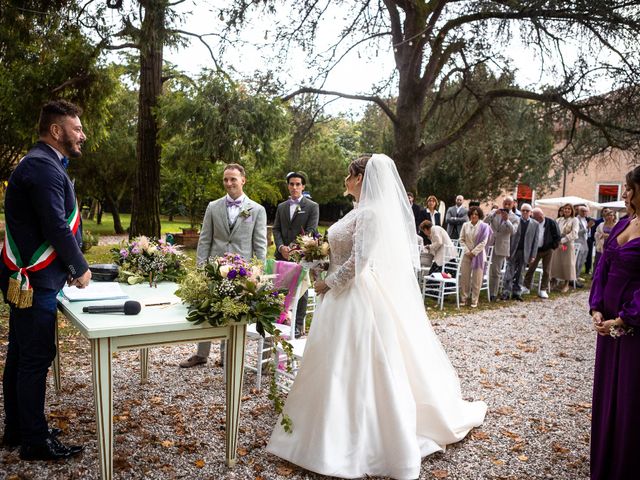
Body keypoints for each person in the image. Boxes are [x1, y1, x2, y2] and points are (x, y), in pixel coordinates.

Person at [267, 154, 486, 479]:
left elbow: (360, 260)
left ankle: (355, 439)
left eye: (349, 173)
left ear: (360, 177)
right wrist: (319, 263)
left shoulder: (370, 214)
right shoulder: (357, 211)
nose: (345, 178)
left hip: (354, 296)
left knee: (356, 365)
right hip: (338, 296)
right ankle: (318, 430)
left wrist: (328, 282)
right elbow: (340, 252)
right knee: (332, 364)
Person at [1, 100, 89, 460]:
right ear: (57, 131)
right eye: (77, 128)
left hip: (28, 280)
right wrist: (80, 267)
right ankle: (34, 442)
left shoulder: (39, 162)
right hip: (35, 280)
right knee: (35, 357)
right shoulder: (42, 167)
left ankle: (19, 430)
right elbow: (55, 225)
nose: (82, 135)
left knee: (22, 355)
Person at [179, 164, 267, 368]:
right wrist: (201, 268)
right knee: (207, 307)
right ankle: (201, 354)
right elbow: (205, 240)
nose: (229, 183)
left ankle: (227, 356)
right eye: (226, 179)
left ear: (243, 180)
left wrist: (258, 272)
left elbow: (260, 244)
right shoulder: (213, 207)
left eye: (233, 179)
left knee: (232, 311)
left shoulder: (257, 210)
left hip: (241, 270)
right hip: (213, 267)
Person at [589, 165, 640, 479]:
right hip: (607, 329)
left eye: (629, 188)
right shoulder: (625, 222)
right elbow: (602, 267)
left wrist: (626, 317)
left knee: (629, 400)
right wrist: (596, 307)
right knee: (608, 398)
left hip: (632, 332)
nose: (625, 193)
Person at [272, 171, 319, 336]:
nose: (294, 187)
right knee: (277, 286)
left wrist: (292, 249)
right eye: (291, 184)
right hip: (280, 255)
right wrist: (280, 247)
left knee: (301, 289)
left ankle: (298, 325)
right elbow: (276, 229)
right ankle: (278, 319)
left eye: (298, 184)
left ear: (303, 186)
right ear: (288, 186)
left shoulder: (312, 207)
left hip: (301, 255)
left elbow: (311, 230)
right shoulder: (281, 207)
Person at [501, 204, 539, 301]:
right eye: (523, 210)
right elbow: (509, 235)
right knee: (509, 272)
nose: (525, 212)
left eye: (527, 211)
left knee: (520, 273)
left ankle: (516, 293)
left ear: (531, 213)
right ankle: (506, 292)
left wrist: (533, 255)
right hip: (513, 250)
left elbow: (535, 241)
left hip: (525, 252)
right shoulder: (516, 220)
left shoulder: (535, 224)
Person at [484, 196, 519, 301]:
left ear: (513, 204)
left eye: (509, 204)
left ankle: (493, 294)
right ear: (502, 204)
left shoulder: (515, 218)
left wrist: (507, 220)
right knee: (485, 268)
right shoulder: (495, 212)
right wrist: (494, 213)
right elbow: (484, 222)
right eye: (505, 204)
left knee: (496, 271)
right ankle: (482, 289)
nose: (507, 206)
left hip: (502, 246)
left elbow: (513, 232)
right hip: (489, 243)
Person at [522, 207, 561, 299]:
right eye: (534, 217)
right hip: (536, 250)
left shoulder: (551, 222)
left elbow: (557, 235)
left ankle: (543, 289)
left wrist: (553, 246)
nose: (535, 219)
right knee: (531, 268)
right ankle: (526, 287)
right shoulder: (532, 223)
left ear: (541, 216)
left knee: (546, 270)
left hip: (548, 249)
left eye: (537, 217)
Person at [458, 206, 492, 308]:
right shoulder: (465, 225)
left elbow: (484, 242)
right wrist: (468, 251)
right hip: (467, 255)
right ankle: (464, 298)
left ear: (479, 215)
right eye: (472, 214)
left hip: (479, 255)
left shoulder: (484, 226)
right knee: (464, 278)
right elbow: (461, 239)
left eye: (476, 214)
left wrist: (474, 252)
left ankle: (474, 300)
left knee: (477, 278)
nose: (474, 216)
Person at [550, 203, 579, 293]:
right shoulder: (558, 220)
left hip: (568, 244)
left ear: (572, 211)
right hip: (558, 245)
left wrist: (563, 240)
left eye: (569, 209)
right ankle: (553, 280)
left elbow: (574, 232)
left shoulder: (574, 220)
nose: (566, 210)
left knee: (567, 264)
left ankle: (566, 284)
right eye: (565, 209)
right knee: (555, 262)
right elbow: (554, 231)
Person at [574, 204, 591, 287]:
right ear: (578, 211)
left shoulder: (585, 220)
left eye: (585, 211)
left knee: (582, 260)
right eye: (582, 211)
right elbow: (576, 232)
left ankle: (577, 276)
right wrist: (586, 228)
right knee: (577, 260)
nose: (584, 212)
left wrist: (588, 228)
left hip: (585, 242)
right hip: (578, 242)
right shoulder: (576, 219)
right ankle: (574, 278)